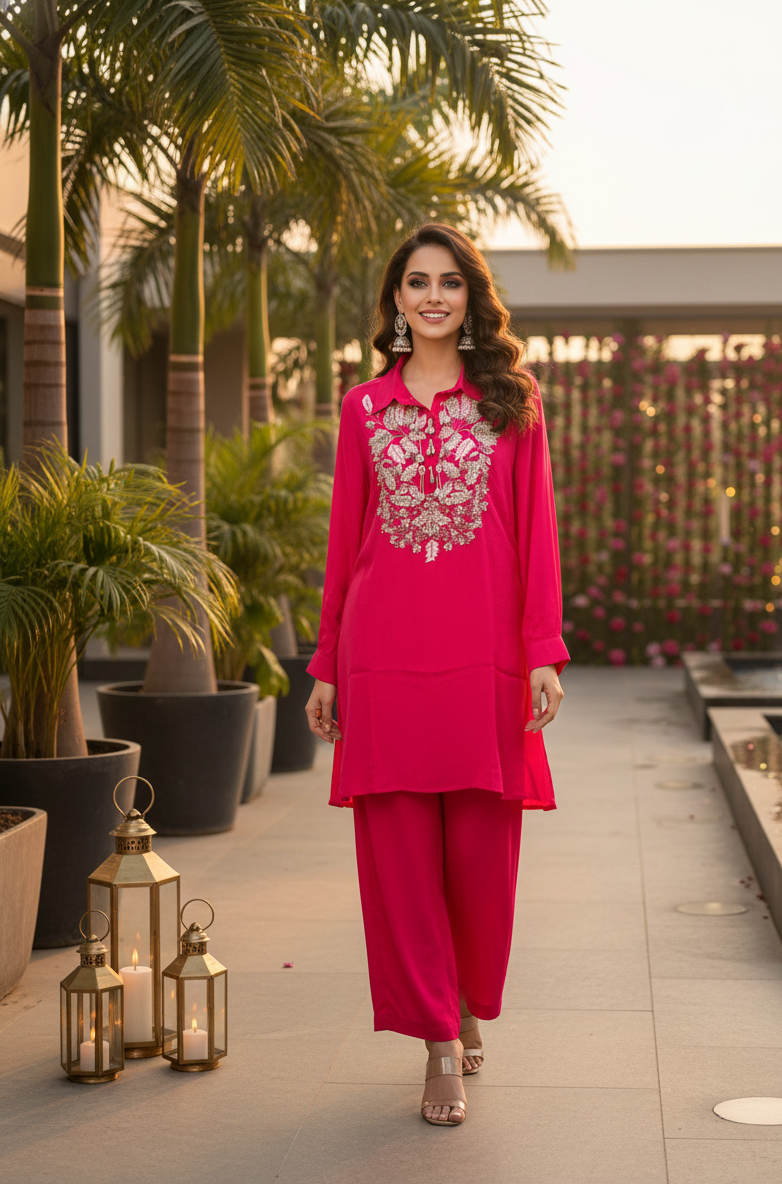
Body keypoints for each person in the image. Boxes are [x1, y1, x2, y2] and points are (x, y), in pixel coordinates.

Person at [305, 222, 568, 1127]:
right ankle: (439, 1045)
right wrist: (328, 665)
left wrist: (542, 651)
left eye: (449, 282)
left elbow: (536, 533)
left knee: (481, 859)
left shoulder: (510, 400)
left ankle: (461, 998)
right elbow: (347, 544)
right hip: (383, 657)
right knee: (402, 859)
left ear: (470, 298)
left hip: (485, 659)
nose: (431, 297)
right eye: (416, 282)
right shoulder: (363, 410)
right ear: (395, 300)